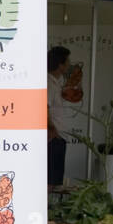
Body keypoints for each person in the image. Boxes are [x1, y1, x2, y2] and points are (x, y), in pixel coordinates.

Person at [46, 46, 69, 192]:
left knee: (55, 178)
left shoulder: (56, 82)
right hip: (52, 135)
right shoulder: (48, 82)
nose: (69, 65)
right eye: (67, 62)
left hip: (58, 134)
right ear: (60, 64)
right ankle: (45, 210)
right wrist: (51, 129)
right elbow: (43, 107)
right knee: (50, 178)